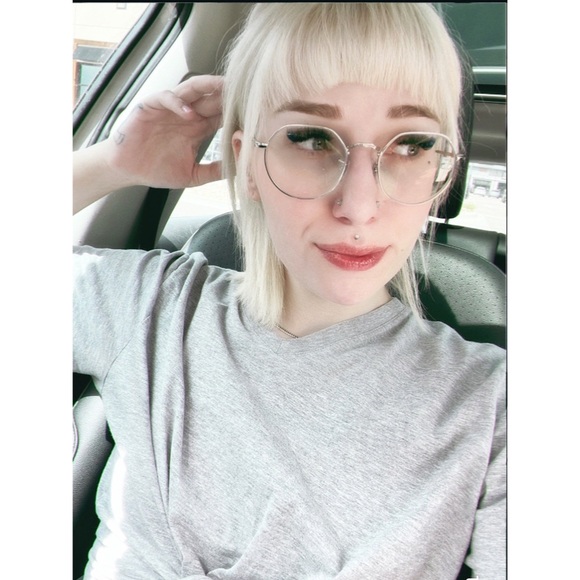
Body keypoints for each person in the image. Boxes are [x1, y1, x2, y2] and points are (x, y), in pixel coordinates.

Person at [73, 3, 506, 579]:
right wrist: (113, 163)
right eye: (310, 138)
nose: (359, 206)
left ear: (440, 172)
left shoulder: (492, 407)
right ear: (246, 163)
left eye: (412, 146)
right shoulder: (150, 307)